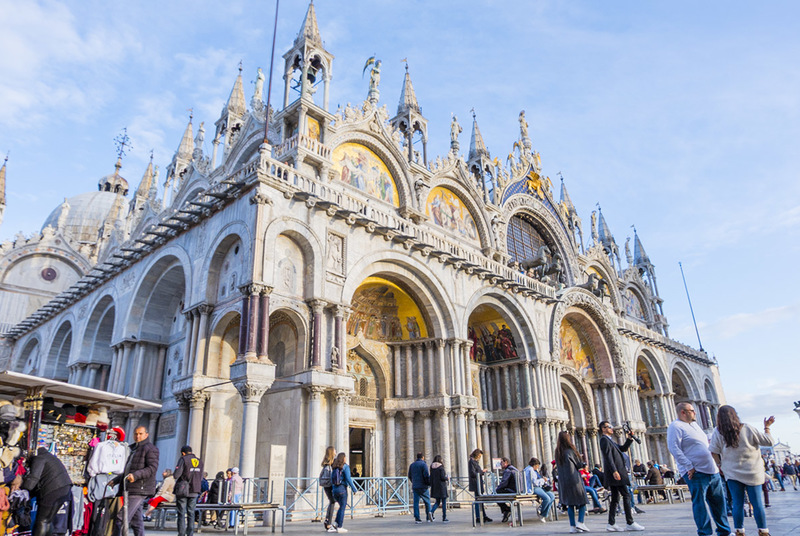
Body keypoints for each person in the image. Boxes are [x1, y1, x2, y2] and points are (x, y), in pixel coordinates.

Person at [667, 402, 731, 536]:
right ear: (683, 412)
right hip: (696, 473)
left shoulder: (695, 425)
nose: (695, 412)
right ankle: (705, 533)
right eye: (692, 410)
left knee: (719, 503)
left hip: (712, 471)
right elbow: (674, 448)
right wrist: (689, 466)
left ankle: (724, 531)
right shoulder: (676, 426)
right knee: (700, 504)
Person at [709, 406, 774, 536]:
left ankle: (739, 531)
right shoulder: (747, 428)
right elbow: (769, 442)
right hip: (753, 472)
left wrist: (720, 465)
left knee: (737, 503)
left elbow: (713, 451)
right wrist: (767, 427)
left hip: (732, 473)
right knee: (757, 503)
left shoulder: (719, 432)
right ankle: (763, 531)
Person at [13, 447, 72, 536]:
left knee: (42, 521)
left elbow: (32, 481)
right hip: (64, 488)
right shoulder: (48, 456)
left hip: (53, 490)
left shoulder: (39, 458)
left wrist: (21, 487)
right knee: (48, 520)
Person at [112, 426, 159, 536]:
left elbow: (152, 468)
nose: (137, 436)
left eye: (140, 434)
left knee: (121, 518)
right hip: (131, 488)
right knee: (136, 521)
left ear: (146, 435)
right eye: (136, 434)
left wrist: (136, 475)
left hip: (140, 489)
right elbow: (129, 470)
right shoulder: (134, 449)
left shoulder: (150, 448)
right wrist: (116, 480)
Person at [598, 421, 644, 531]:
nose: (611, 429)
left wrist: (629, 439)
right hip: (616, 473)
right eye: (609, 427)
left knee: (615, 498)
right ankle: (630, 522)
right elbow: (608, 457)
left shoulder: (610, 440)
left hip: (616, 472)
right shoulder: (604, 440)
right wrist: (614, 471)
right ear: (603, 429)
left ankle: (611, 523)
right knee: (626, 495)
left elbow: (622, 449)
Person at [554, 431, 589, 534]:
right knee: (582, 501)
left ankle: (572, 526)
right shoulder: (570, 451)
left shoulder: (558, 452)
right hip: (574, 479)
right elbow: (578, 465)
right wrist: (583, 462)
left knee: (570, 504)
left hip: (563, 481)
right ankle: (580, 522)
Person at [173, 445, 204, 536]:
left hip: (183, 490)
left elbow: (176, 475)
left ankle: (181, 533)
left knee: (181, 512)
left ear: (183, 453)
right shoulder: (199, 461)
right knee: (191, 512)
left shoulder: (183, 459)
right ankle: (190, 533)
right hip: (195, 489)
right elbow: (201, 476)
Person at [329, 452, 358, 533]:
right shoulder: (345, 466)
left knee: (341, 506)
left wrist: (333, 489)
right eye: (345, 457)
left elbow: (332, 479)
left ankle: (335, 524)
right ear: (343, 458)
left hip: (335, 490)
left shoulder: (334, 467)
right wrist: (354, 489)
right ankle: (340, 526)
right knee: (342, 507)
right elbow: (348, 479)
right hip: (342, 489)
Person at [523, 457, 555, 522]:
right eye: (537, 466)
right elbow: (534, 482)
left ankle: (543, 512)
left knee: (552, 496)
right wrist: (543, 480)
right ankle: (542, 513)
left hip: (539, 487)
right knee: (547, 498)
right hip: (533, 488)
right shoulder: (530, 470)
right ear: (535, 465)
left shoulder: (533, 470)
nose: (538, 467)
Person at [468, 449, 492, 523]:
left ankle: (483, 515)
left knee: (480, 500)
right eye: (479, 456)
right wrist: (482, 471)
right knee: (478, 500)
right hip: (476, 483)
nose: (480, 457)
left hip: (478, 482)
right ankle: (478, 517)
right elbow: (472, 473)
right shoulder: (471, 462)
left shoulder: (475, 462)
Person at [407, 453, 432, 524]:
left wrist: (414, 482)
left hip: (415, 486)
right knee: (427, 502)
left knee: (416, 503)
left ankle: (417, 518)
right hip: (423, 486)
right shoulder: (423, 465)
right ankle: (428, 517)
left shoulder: (412, 465)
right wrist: (428, 483)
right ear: (423, 457)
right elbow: (426, 475)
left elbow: (409, 475)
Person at [494, 457, 519, 523]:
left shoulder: (508, 470)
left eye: (501, 463)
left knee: (496, 494)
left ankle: (506, 509)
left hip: (512, 490)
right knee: (499, 493)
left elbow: (504, 483)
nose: (500, 464)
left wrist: (497, 489)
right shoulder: (514, 469)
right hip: (517, 489)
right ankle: (506, 510)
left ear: (505, 462)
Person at [319, 446, 336, 531]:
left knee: (332, 501)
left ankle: (328, 521)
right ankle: (328, 523)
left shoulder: (326, 464)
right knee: (332, 501)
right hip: (329, 485)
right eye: (334, 451)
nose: (336, 452)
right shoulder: (331, 464)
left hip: (326, 485)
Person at [429, 455, 449, 523]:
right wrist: (447, 478)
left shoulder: (432, 467)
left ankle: (431, 512)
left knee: (437, 502)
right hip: (442, 487)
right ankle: (444, 517)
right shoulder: (441, 468)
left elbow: (431, 477)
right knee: (443, 502)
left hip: (435, 486)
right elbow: (442, 477)